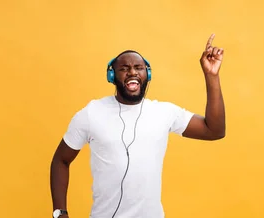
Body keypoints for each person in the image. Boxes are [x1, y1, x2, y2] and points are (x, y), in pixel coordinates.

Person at [50, 34, 226, 218]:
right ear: (112, 75)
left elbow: (214, 130)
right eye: (124, 69)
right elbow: (61, 161)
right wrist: (60, 213)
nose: (132, 73)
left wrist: (211, 76)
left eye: (138, 68)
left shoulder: (164, 112)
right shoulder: (91, 113)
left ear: (147, 74)